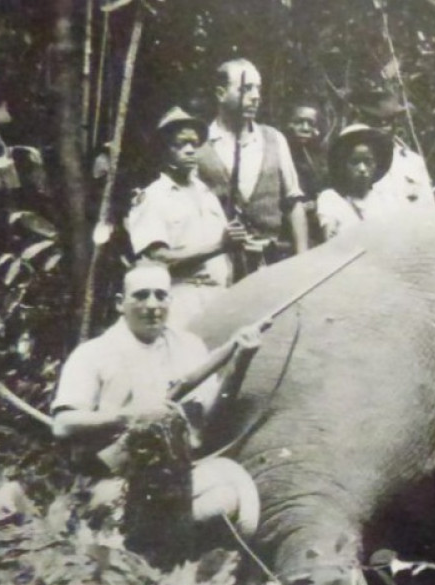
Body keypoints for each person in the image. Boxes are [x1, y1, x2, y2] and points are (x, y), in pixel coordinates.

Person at [51, 260, 265, 537]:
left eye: (161, 295)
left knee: (232, 498)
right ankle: (145, 541)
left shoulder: (189, 346)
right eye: (141, 295)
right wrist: (130, 416)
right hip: (112, 479)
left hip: (174, 476)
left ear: (170, 300)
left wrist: (241, 360)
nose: (152, 305)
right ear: (120, 303)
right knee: (117, 511)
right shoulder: (93, 353)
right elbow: (63, 425)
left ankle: (156, 540)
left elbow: (212, 419)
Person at [125, 107, 246, 330]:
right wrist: (220, 246)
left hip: (220, 299)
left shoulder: (207, 194)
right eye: (180, 144)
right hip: (181, 301)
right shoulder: (154, 197)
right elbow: (157, 261)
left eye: (195, 143)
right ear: (163, 151)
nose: (190, 150)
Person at [196, 59, 309, 265]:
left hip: (269, 263)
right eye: (246, 89)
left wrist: (303, 261)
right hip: (218, 265)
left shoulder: (274, 139)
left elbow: (293, 203)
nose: (256, 97)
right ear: (221, 94)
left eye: (258, 89)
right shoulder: (200, 146)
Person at [355, 90, 435, 212]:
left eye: (389, 121)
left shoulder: (412, 162)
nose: (384, 128)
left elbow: (430, 210)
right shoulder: (356, 163)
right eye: (376, 122)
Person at [315, 124, 397, 239]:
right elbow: (330, 236)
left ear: (376, 164)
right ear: (342, 165)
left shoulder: (386, 198)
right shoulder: (331, 198)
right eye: (354, 162)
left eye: (368, 162)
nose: (362, 169)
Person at [285, 103, 327, 244]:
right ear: (288, 124)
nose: (305, 128)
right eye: (299, 122)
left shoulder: (319, 157)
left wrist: (317, 204)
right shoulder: (282, 154)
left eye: (310, 124)